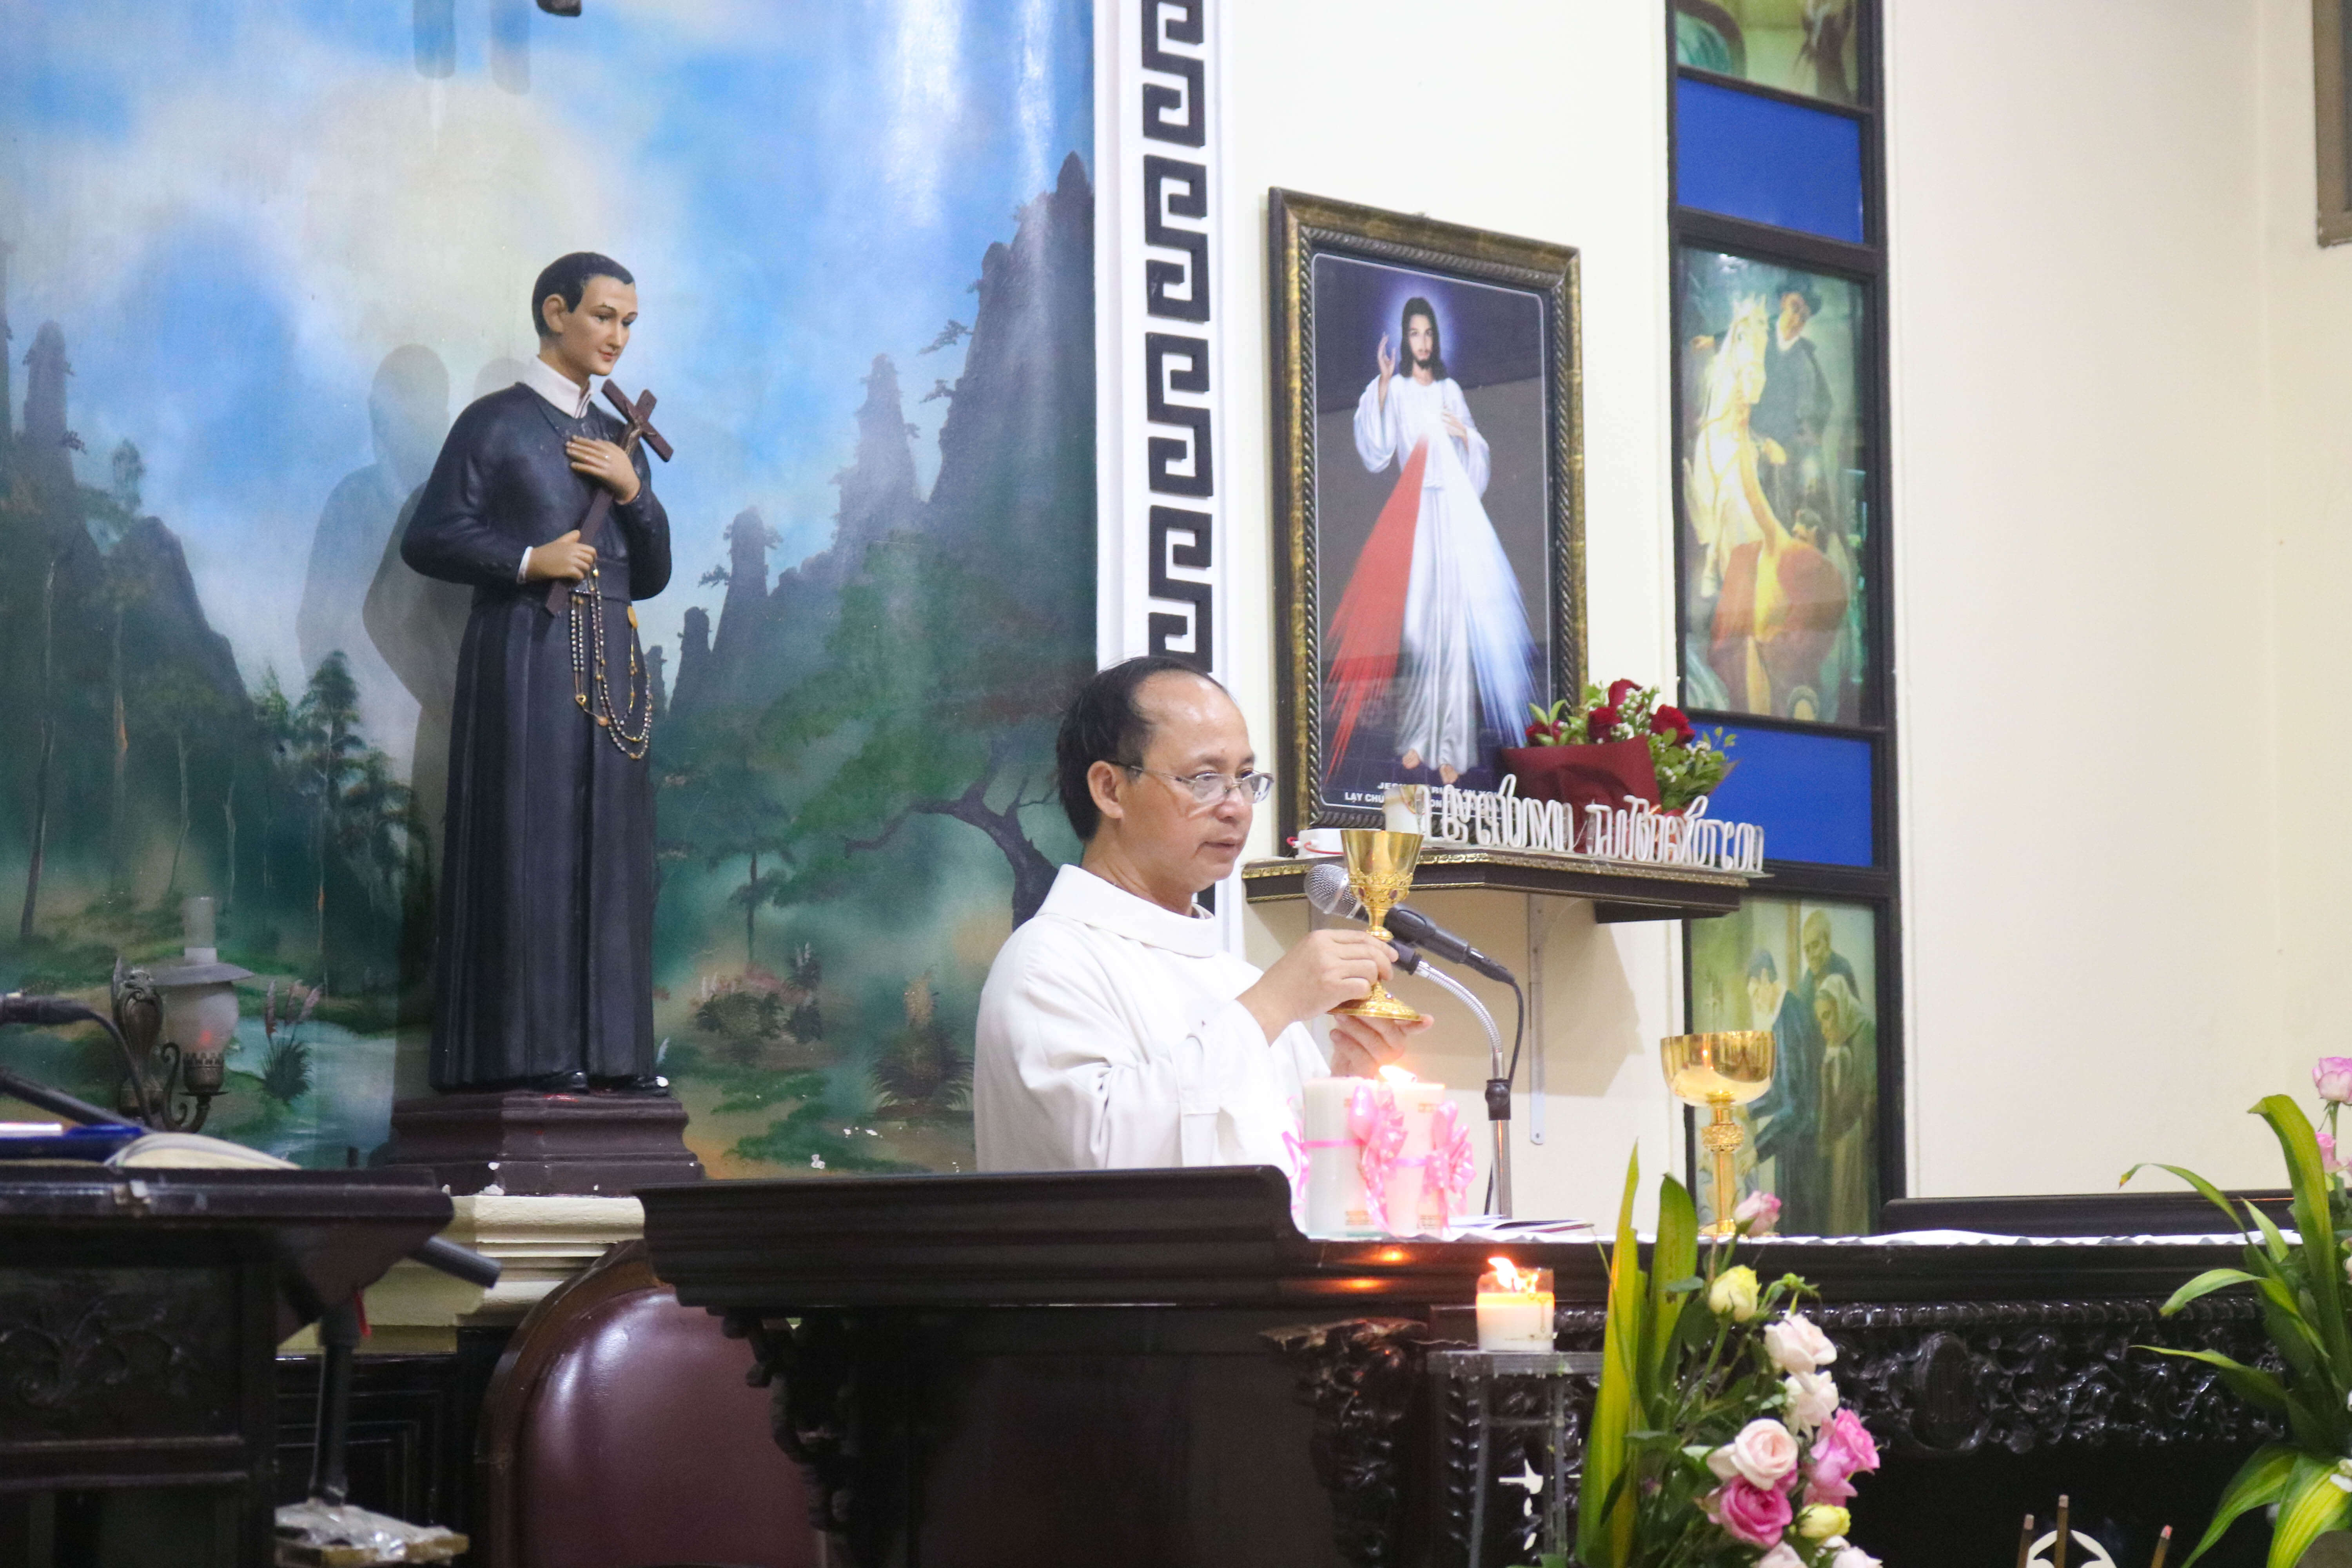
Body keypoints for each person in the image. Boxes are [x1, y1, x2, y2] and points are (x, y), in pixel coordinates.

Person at [975, 656, 1430, 1170]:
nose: (1237, 807)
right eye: (1205, 778)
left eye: (1245, 777)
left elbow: (1300, 1184)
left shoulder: (1238, 980)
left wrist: (1347, 1084)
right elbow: (1100, 1159)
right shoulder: (1046, 963)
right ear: (1110, 789)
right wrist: (1271, 1006)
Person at [401, 252, 671, 1093]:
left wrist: (634, 492)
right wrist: (528, 559)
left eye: (629, 322)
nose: (618, 337)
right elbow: (430, 537)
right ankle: (528, 1056)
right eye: (603, 317)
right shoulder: (495, 424)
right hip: (528, 658)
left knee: (612, 855)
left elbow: (653, 574)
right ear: (556, 313)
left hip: (612, 670)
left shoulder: (621, 441)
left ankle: (613, 1058)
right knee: (534, 844)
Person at [1324, 296, 1536, 788]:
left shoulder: (1450, 389)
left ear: (1436, 339)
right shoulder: (1396, 389)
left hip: (1455, 512)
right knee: (1421, 627)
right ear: (1405, 339)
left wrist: (1466, 435)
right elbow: (1377, 450)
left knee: (1455, 631)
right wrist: (1382, 382)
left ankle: (1454, 748)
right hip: (1416, 510)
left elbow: (1476, 447)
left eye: (1428, 333)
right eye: (1414, 333)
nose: (1422, 341)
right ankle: (1419, 737)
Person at [1682, 295, 1847, 720]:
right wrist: (1714, 341)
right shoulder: (1765, 337)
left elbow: (1814, 415)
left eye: (1802, 314)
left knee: (1779, 486)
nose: (1794, 319)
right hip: (1746, 426)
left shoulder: (1805, 362)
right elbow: (1745, 335)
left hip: (1778, 443)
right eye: (1791, 309)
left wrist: (1785, 443)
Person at [1742, 947, 1824, 1230]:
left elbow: (1798, 1103)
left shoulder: (1792, 1018)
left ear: (1766, 978)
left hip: (1801, 1143)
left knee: (1797, 1227)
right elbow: (1782, 1090)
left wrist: (1758, 1149)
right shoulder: (1784, 1017)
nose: (1756, 1003)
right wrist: (1749, 1109)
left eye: (1756, 994)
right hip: (1791, 1139)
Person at [1811, 971, 1875, 1234]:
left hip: (1860, 1140)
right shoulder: (1839, 1041)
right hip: (1844, 1140)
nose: (1824, 1028)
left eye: (1828, 1016)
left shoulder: (1864, 1031)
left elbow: (1865, 1095)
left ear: (1841, 1006)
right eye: (1820, 1021)